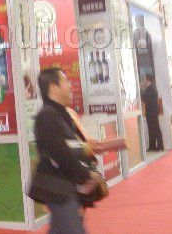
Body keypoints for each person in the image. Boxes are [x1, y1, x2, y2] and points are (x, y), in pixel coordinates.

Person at [28, 68, 101, 234]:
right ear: (53, 88)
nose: (70, 86)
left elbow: (72, 147)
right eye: (65, 81)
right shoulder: (47, 116)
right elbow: (61, 155)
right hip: (58, 188)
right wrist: (86, 175)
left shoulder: (61, 114)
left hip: (66, 185)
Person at [141, 74, 163, 151]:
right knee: (151, 129)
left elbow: (146, 99)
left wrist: (141, 92)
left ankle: (160, 146)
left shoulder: (150, 89)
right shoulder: (151, 88)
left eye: (144, 79)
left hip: (152, 112)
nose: (143, 81)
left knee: (155, 128)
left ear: (148, 80)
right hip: (152, 111)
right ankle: (153, 146)